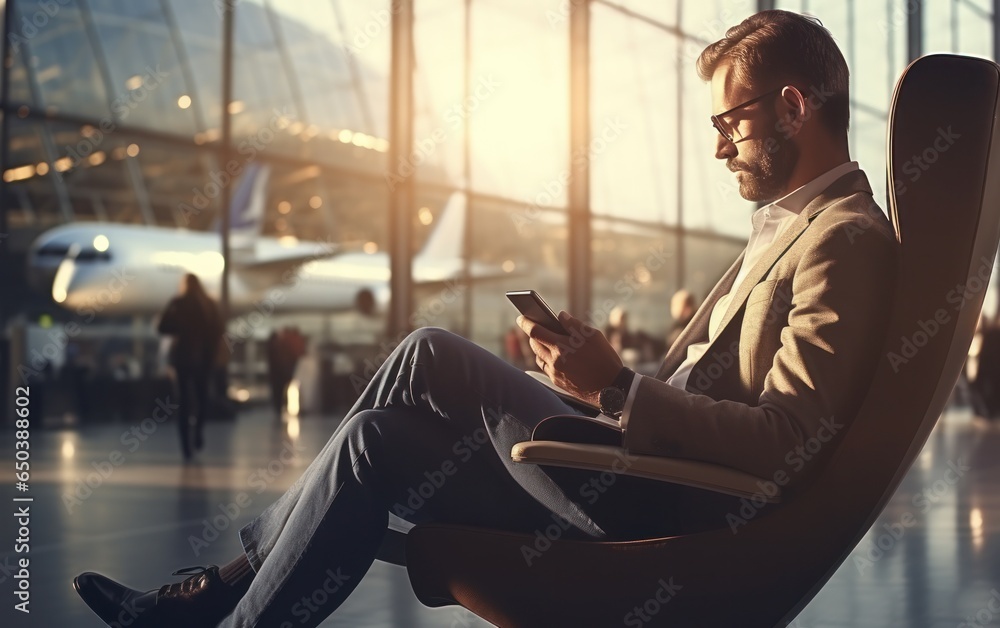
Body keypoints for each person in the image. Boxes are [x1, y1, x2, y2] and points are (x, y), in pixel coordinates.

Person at [73, 10, 897, 627]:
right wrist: (594, 384)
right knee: (372, 442)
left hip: (661, 500)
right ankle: (220, 600)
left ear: (792, 106)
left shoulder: (844, 240)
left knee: (430, 350)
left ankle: (215, 593)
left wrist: (616, 391)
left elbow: (788, 442)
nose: (721, 147)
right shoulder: (796, 227)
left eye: (731, 120)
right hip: (631, 463)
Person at [156, 273, 225, 460]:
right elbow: (219, 330)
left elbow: (162, 327)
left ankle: (186, 446)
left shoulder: (177, 303)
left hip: (182, 358)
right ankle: (198, 433)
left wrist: (179, 327)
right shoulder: (209, 304)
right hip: (203, 359)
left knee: (183, 402)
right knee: (202, 398)